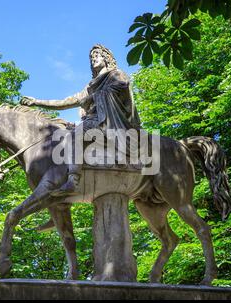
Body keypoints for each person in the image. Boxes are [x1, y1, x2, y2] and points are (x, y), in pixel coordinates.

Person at [20, 44, 141, 196]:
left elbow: (120, 88)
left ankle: (73, 181)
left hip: (111, 122)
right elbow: (67, 102)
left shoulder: (116, 74)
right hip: (94, 122)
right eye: (91, 57)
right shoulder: (90, 85)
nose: (93, 59)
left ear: (106, 58)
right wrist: (37, 102)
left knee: (74, 136)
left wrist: (92, 97)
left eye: (96, 55)